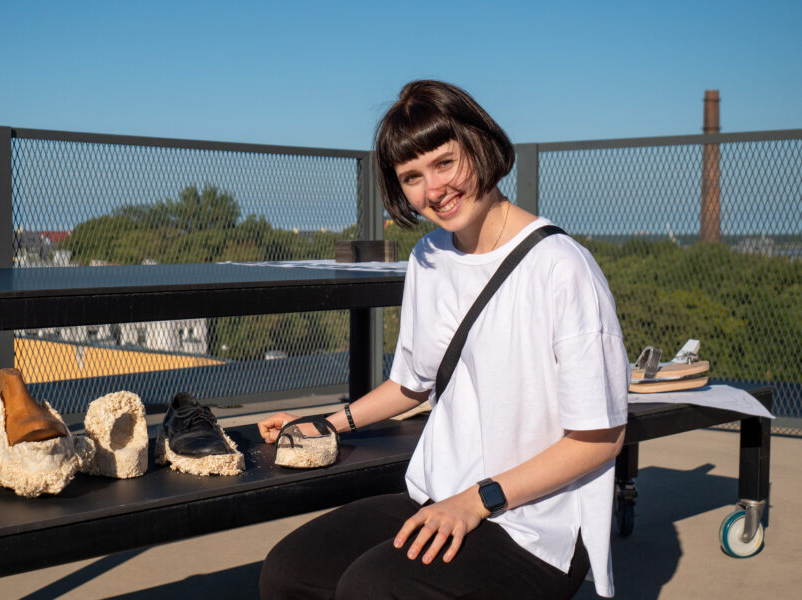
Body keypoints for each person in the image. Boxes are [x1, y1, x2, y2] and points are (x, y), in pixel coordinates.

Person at [257, 80, 629, 599]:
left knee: (374, 589)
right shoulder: (429, 257)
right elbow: (411, 383)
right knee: (290, 571)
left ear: (480, 145)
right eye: (412, 176)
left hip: (534, 525)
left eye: (445, 163)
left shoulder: (562, 268)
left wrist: (477, 500)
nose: (433, 190)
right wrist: (326, 422)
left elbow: (600, 438)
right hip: (438, 498)